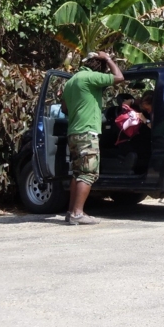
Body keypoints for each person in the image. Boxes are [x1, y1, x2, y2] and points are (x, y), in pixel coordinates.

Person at [63, 51, 124, 225]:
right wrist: (109, 58)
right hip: (87, 132)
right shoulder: (91, 78)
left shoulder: (71, 81)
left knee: (77, 173)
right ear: (99, 66)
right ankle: (77, 213)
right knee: (88, 173)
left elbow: (65, 108)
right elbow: (119, 77)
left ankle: (71, 211)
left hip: (73, 133)